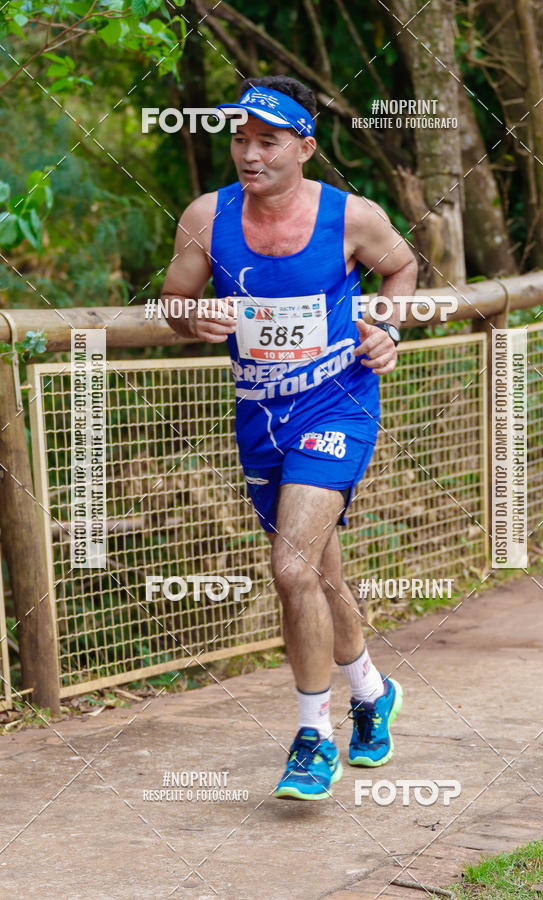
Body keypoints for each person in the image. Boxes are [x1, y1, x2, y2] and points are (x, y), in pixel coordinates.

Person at [161, 75, 418, 800]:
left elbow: (402, 268)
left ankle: (314, 738)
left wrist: (386, 327)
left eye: (266, 140)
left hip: (337, 407)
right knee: (320, 573)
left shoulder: (353, 217)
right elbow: (175, 298)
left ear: (304, 147)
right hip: (260, 415)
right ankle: (371, 694)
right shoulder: (207, 218)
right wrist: (189, 320)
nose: (248, 153)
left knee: (290, 570)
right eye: (240, 139)